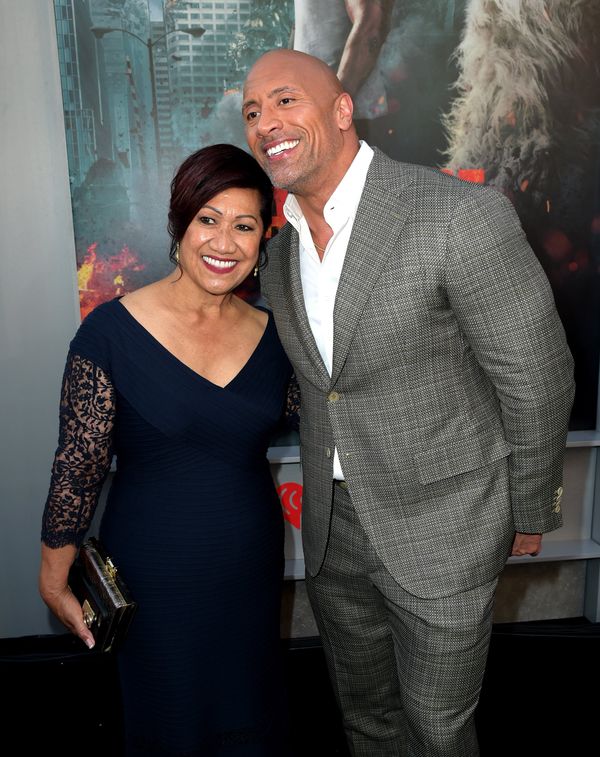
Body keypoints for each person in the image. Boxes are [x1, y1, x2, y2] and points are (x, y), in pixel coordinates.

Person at [242, 49, 575, 756]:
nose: (265, 121)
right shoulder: (277, 254)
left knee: (438, 729)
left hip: (445, 529)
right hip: (333, 539)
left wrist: (529, 507)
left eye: (283, 100)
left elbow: (538, 375)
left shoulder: (458, 214)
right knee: (366, 720)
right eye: (252, 112)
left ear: (340, 110)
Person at [40, 143, 297, 756]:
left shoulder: (279, 336)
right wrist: (54, 581)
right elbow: (77, 470)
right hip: (154, 576)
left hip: (250, 567)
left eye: (245, 225)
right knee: (168, 727)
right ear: (179, 225)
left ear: (264, 237)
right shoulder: (109, 334)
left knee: (247, 725)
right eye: (208, 219)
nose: (225, 242)